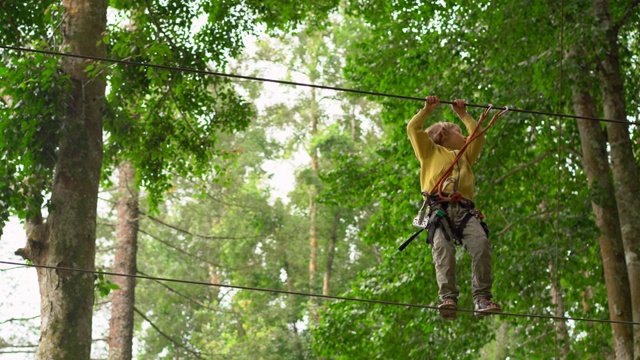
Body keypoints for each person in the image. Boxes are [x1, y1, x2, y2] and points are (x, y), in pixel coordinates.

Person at [406, 95, 502, 320]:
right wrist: (427, 110)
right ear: (444, 135)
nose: (464, 136)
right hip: (440, 211)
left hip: (465, 211)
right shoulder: (429, 152)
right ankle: (447, 298)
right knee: (443, 250)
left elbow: (477, 136)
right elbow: (413, 128)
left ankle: (482, 299)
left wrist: (463, 114)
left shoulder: (465, 157)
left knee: (481, 245)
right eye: (458, 131)